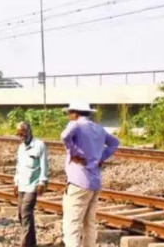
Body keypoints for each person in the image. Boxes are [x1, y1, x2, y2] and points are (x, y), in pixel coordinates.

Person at [60, 102, 119, 247]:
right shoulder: (99, 128)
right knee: (89, 224)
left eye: (69, 113)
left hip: (79, 181)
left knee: (72, 224)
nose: (68, 116)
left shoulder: (76, 124)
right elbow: (115, 143)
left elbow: (64, 136)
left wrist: (74, 152)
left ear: (75, 113)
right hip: (94, 182)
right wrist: (100, 157)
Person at [13, 122, 48, 247]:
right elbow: (18, 166)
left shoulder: (39, 145)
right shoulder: (21, 147)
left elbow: (44, 165)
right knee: (21, 214)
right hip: (22, 183)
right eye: (18, 134)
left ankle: (25, 244)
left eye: (22, 133)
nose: (21, 137)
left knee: (26, 211)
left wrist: (42, 182)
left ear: (29, 132)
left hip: (33, 185)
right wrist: (16, 182)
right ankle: (31, 242)